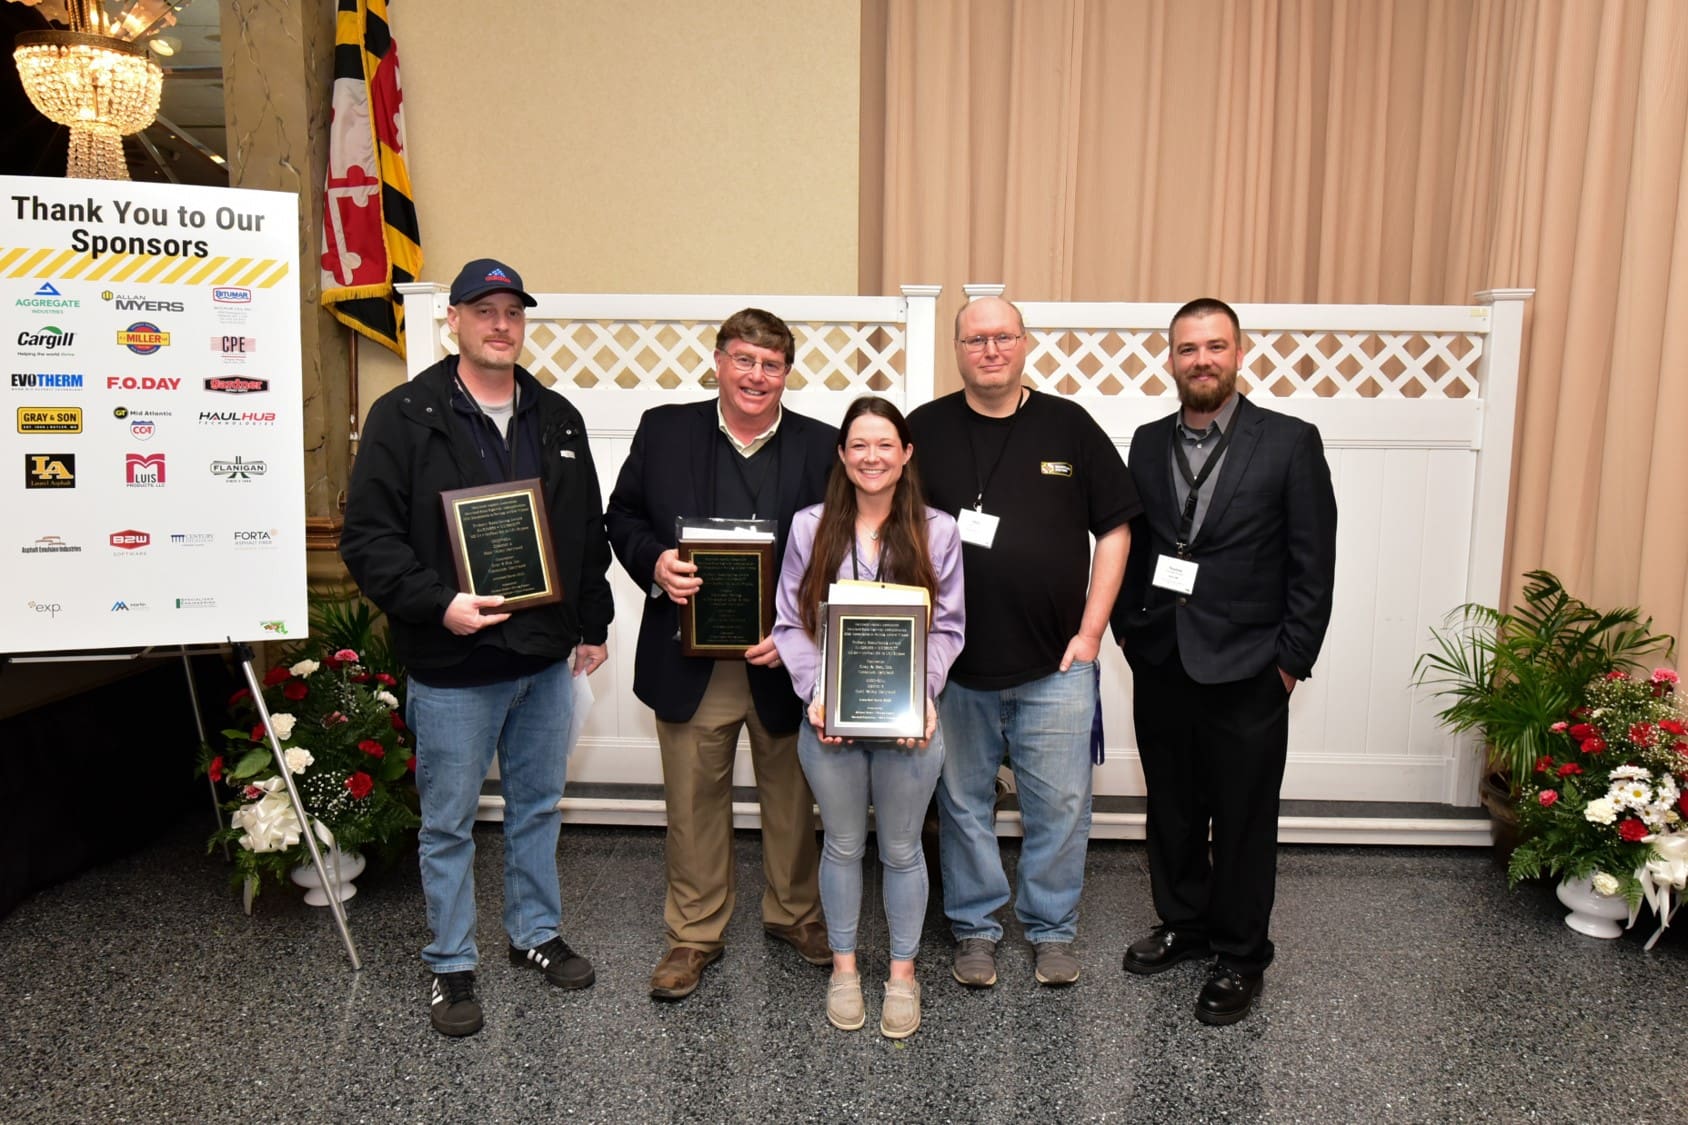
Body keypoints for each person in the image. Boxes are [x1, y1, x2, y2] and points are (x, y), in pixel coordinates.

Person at [340, 258, 614, 1038]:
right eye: (484, 310)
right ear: (452, 320)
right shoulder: (404, 415)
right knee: (449, 824)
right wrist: (440, 604)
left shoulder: (557, 417)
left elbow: (584, 530)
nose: (501, 325)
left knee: (537, 806)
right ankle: (450, 960)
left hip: (543, 660)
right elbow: (368, 539)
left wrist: (592, 623)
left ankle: (533, 933)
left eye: (513, 312)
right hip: (453, 664)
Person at [1113, 297, 1337, 1025]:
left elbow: (1313, 562)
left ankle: (1241, 954)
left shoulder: (1290, 441)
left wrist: (1289, 663)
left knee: (1243, 818)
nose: (1201, 359)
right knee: (1172, 808)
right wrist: (1129, 632)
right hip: (1163, 659)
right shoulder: (1148, 441)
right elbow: (1137, 546)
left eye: (1215, 346)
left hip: (1249, 666)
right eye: (1188, 348)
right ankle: (1185, 923)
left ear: (1239, 353)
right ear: (1171, 359)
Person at [907, 295, 1139, 988]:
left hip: (1055, 666)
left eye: (1003, 336)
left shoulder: (1069, 425)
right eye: (976, 339)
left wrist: (1091, 632)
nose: (990, 350)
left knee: (1061, 806)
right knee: (962, 805)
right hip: (954, 668)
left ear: (1024, 343)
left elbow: (1117, 527)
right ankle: (975, 928)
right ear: (957, 349)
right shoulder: (924, 429)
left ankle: (1052, 928)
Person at [605, 308, 837, 1001]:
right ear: (718, 362)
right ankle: (694, 932)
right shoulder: (663, 430)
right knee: (693, 801)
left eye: (771, 365)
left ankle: (795, 914)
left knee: (794, 800)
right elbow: (622, 516)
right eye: (744, 360)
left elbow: (842, 547)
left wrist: (803, 632)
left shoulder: (821, 445)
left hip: (783, 661)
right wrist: (655, 561)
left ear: (786, 374)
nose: (756, 376)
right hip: (690, 660)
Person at [772, 396, 965, 1039]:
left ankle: (903, 975)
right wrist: (816, 691)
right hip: (830, 719)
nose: (872, 457)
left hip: (910, 722)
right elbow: (790, 624)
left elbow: (948, 628)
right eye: (859, 444)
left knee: (903, 848)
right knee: (844, 844)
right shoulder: (810, 526)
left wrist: (924, 691)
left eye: (885, 444)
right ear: (842, 454)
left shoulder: (938, 530)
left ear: (906, 453)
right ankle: (845, 969)